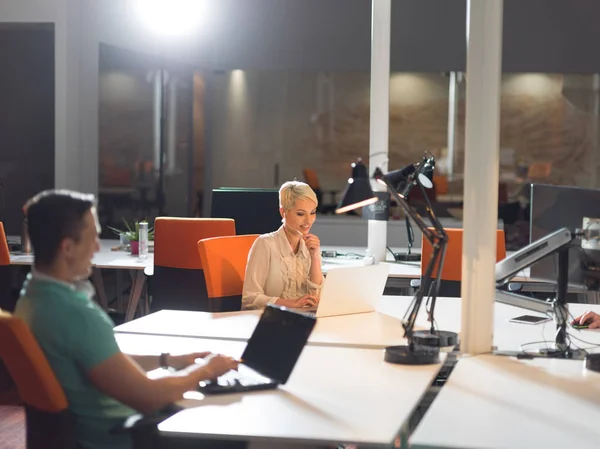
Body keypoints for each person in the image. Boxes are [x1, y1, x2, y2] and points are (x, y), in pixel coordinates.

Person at [13, 189, 238, 449]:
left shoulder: (31, 298)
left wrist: (167, 360)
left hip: (91, 431)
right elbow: (149, 398)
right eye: (94, 236)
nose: (98, 246)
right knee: (232, 434)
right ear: (67, 248)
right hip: (125, 437)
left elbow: (101, 363)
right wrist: (208, 369)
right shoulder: (76, 316)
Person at [242, 181, 323, 310]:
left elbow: (316, 298)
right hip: (268, 321)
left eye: (312, 212)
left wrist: (315, 257)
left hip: (301, 320)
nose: (308, 220)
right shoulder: (265, 244)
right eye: (301, 214)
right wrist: (291, 303)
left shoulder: (311, 246)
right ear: (283, 212)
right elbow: (250, 298)